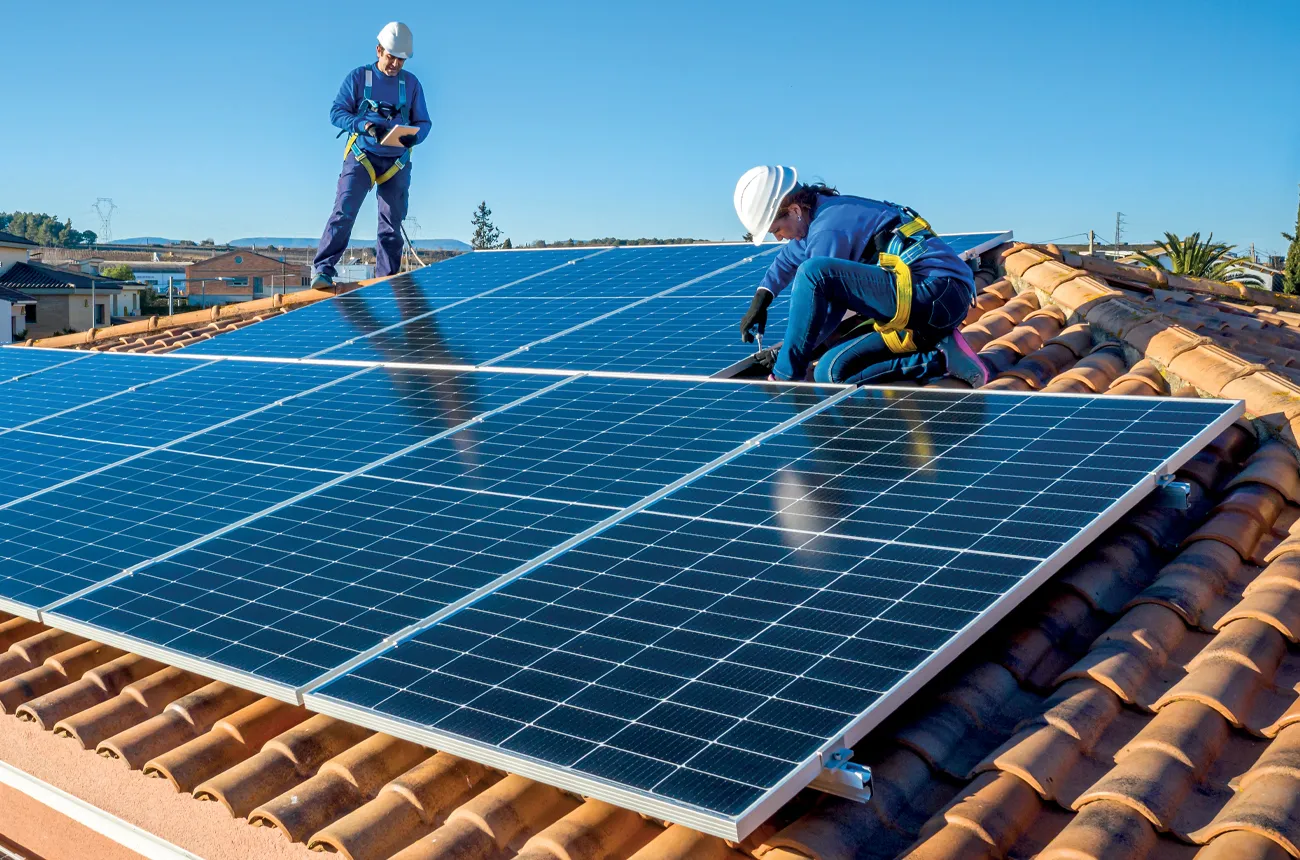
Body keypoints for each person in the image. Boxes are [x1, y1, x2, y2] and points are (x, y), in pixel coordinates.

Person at [733, 165, 989, 387]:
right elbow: (789, 257)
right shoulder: (817, 219)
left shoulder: (831, 226)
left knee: (812, 274)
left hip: (937, 292)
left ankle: (787, 378)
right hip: (917, 314)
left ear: (795, 210)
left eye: (777, 229)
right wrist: (762, 299)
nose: (778, 237)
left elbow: (825, 309)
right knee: (830, 372)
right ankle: (942, 358)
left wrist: (785, 362)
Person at [312, 22, 432, 289]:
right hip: (363, 154)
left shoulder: (411, 85)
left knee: (392, 223)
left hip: (397, 162)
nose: (395, 65)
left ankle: (386, 281)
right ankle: (323, 271)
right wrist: (364, 125)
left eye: (400, 60)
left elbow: (424, 122)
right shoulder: (358, 78)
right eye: (391, 57)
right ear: (379, 51)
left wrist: (416, 136)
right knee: (344, 210)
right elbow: (336, 113)